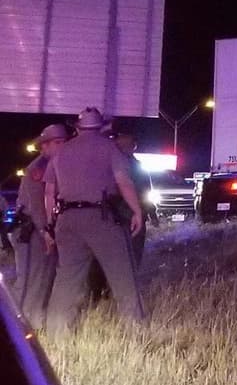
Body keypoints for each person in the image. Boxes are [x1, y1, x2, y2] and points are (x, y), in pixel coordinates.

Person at [43, 107, 146, 332]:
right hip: (100, 217)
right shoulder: (109, 148)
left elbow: (49, 192)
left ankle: (56, 330)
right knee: (122, 275)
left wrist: (50, 225)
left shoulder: (61, 152)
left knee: (67, 278)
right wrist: (136, 211)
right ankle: (134, 328)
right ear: (101, 127)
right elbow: (124, 182)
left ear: (77, 127)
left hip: (67, 220)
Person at [13, 123, 70, 328]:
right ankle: (17, 327)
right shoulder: (38, 168)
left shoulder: (56, 166)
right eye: (57, 142)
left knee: (44, 280)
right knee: (29, 281)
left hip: (46, 230)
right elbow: (37, 206)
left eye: (64, 142)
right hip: (32, 231)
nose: (62, 146)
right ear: (44, 146)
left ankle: (34, 324)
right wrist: (46, 232)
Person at [108, 119, 157, 268]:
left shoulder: (134, 165)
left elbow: (145, 192)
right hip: (123, 215)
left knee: (128, 257)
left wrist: (151, 212)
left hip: (121, 215)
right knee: (130, 257)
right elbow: (144, 193)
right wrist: (150, 213)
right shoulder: (131, 165)